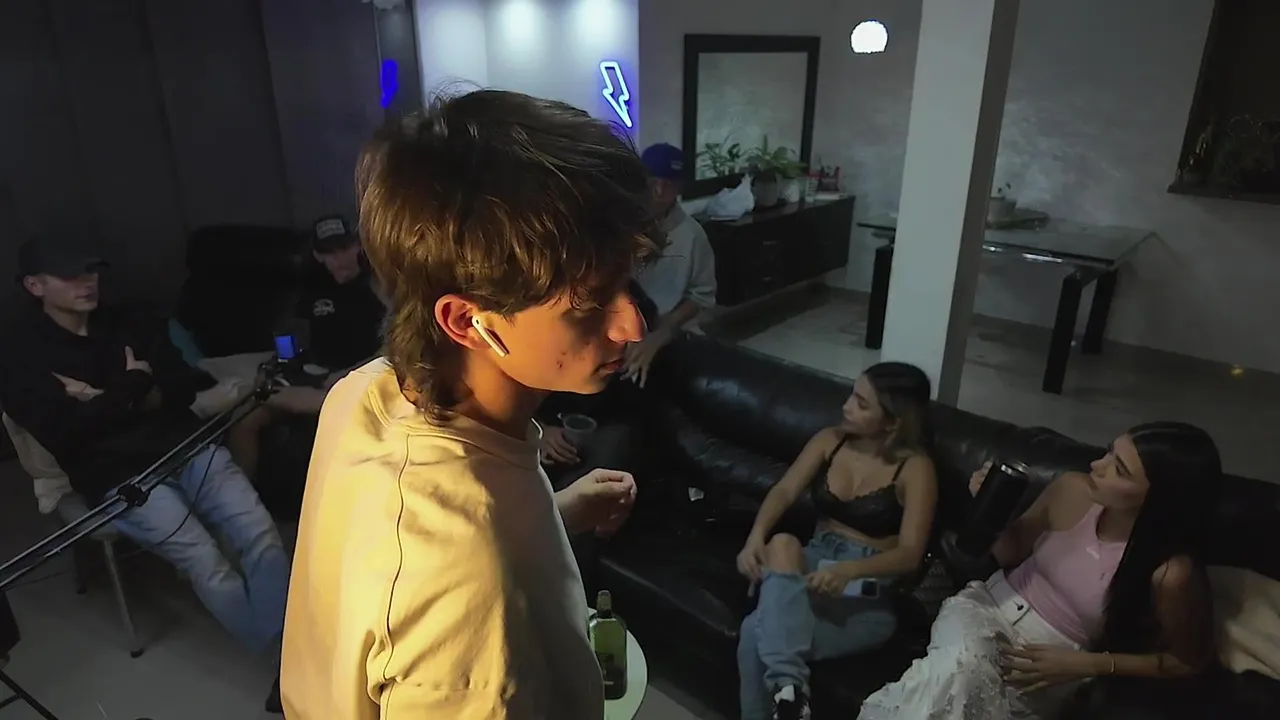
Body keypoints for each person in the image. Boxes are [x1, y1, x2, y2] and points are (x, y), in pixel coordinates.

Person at [279, 89, 662, 719]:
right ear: (467, 321)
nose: (632, 326)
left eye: (628, 284)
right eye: (589, 304)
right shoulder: (462, 595)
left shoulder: (366, 389)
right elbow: (450, 566)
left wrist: (551, 512)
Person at [0, 236, 290, 712]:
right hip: (118, 475)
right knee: (204, 560)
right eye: (70, 275)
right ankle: (290, 661)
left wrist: (100, 399)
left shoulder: (130, 320)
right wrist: (135, 383)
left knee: (260, 534)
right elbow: (64, 433)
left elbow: (181, 386)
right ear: (35, 286)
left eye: (91, 270)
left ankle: (292, 658)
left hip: (185, 445)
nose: (87, 282)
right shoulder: (19, 354)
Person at [859, 422, 1221, 720]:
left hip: (1047, 665)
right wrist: (992, 508)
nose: (1098, 465)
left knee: (939, 692)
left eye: (1120, 470)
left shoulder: (1170, 573)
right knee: (962, 667)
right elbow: (1011, 551)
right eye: (1110, 451)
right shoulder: (1073, 490)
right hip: (985, 609)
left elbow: (1186, 661)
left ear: (1158, 498)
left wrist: (1090, 665)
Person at [735, 363, 938, 720]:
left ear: (892, 422)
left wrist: (849, 571)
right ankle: (791, 693)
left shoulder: (915, 468)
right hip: (814, 560)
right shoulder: (830, 440)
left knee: (755, 631)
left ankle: (788, 693)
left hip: (868, 586)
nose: (846, 406)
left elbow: (910, 554)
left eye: (861, 403)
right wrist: (754, 538)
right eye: (851, 395)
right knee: (781, 543)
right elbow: (784, 490)